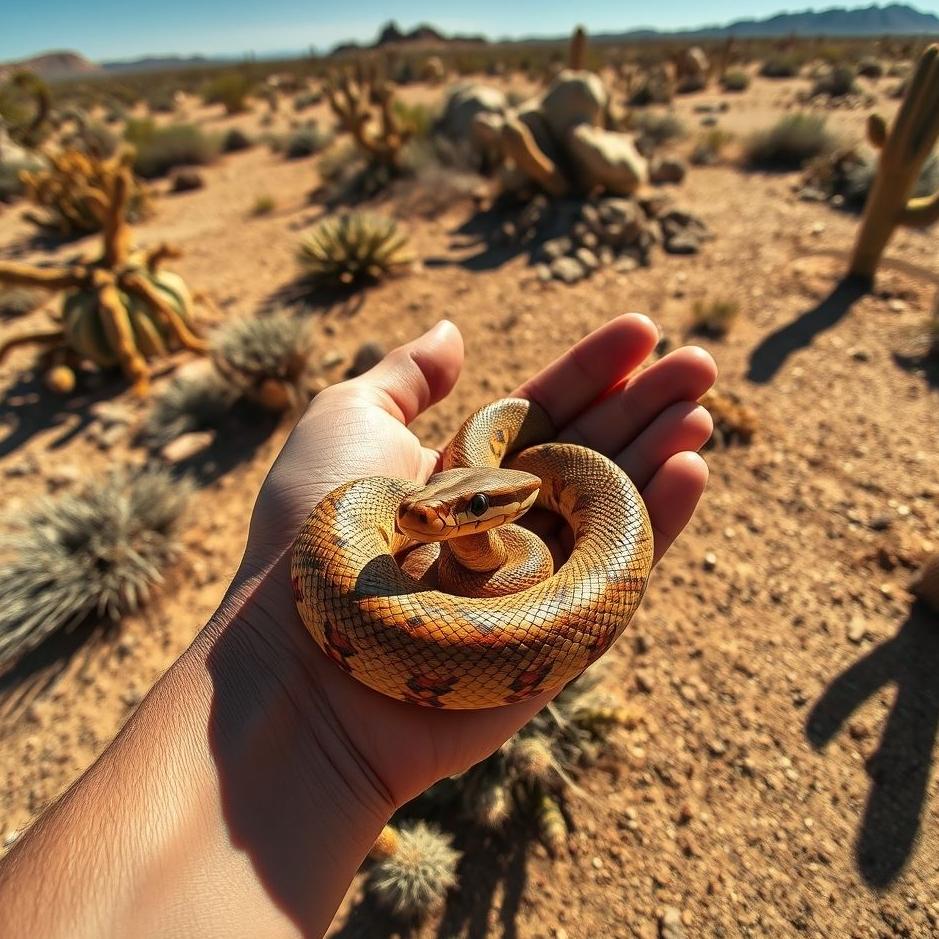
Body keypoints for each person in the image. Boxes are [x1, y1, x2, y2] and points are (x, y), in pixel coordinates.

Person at [0, 314, 716, 938]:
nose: (429, 517)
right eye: (436, 505)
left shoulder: (523, 520)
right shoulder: (400, 504)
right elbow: (434, 516)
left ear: (517, 503)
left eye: (465, 512)